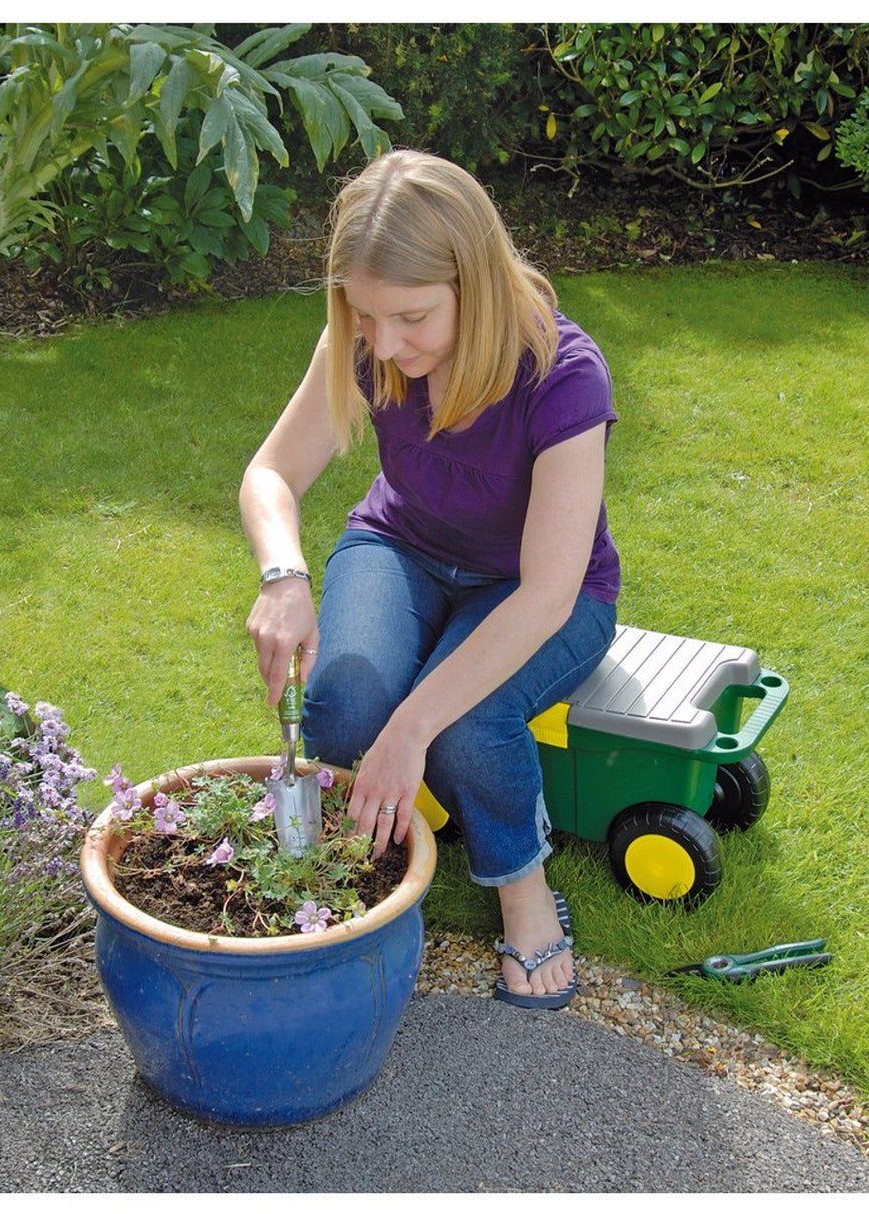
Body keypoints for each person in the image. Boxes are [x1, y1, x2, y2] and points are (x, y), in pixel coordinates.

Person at [240, 149, 619, 1009]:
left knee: (467, 723)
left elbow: (546, 595)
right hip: (402, 546)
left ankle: (521, 889)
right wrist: (284, 576)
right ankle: (384, 833)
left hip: (540, 591)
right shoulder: (366, 339)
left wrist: (415, 727)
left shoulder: (564, 375)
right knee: (344, 708)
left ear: (474, 282)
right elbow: (270, 476)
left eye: (411, 317)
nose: (384, 344)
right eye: (366, 317)